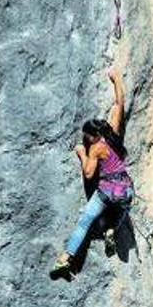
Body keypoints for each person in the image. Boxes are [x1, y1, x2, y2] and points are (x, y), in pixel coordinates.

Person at [51, 67, 133, 278]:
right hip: (126, 190)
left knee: (85, 221)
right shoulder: (113, 132)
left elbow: (89, 174)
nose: (85, 140)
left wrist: (81, 154)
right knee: (120, 208)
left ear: (92, 136)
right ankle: (111, 228)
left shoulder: (96, 148)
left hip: (107, 191)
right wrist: (117, 80)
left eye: (86, 137)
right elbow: (119, 104)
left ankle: (66, 259)